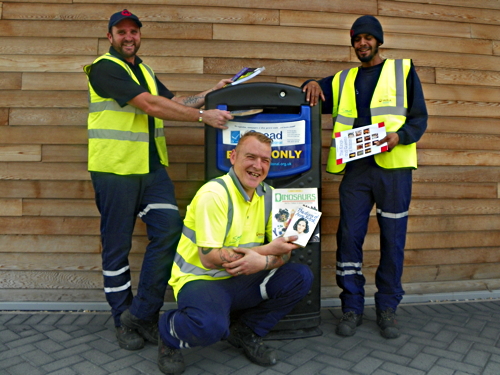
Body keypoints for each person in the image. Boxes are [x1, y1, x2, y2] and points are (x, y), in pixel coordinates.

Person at [83, 9, 234, 351]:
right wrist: (201, 116)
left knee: (168, 232)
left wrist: (211, 93)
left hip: (152, 172)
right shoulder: (104, 68)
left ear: (140, 35)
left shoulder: (145, 71)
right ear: (110, 37)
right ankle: (122, 318)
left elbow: (172, 102)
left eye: (133, 31)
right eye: (121, 32)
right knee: (117, 249)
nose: (128, 37)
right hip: (115, 172)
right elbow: (149, 105)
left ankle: (143, 316)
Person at [303, 15, 427, 339]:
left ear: (378, 41)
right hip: (356, 172)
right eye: (357, 39)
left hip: (394, 170)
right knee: (349, 238)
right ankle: (351, 308)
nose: (362, 43)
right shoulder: (343, 79)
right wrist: (313, 83)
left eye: (368, 38)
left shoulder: (402, 71)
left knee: (393, 240)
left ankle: (387, 307)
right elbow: (313, 93)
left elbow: (419, 119)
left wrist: (399, 137)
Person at [156, 131, 314, 374]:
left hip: (241, 278)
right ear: (233, 157)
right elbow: (208, 259)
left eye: (265, 160)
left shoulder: (270, 196)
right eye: (250, 157)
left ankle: (245, 332)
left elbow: (285, 254)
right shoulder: (214, 195)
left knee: (300, 277)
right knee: (210, 327)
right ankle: (168, 332)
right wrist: (265, 252)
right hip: (201, 280)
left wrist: (262, 263)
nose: (258, 166)